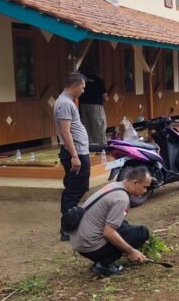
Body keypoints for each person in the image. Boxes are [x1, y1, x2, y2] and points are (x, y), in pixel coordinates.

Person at [71, 167, 152, 276]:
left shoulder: (113, 186)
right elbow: (109, 233)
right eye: (144, 187)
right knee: (141, 233)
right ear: (135, 183)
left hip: (79, 242)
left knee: (124, 224)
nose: (145, 191)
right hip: (89, 246)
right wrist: (131, 251)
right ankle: (103, 265)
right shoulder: (122, 198)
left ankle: (101, 260)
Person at [54, 72, 90, 241]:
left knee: (73, 189)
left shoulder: (67, 103)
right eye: (82, 86)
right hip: (75, 153)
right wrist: (74, 156)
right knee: (75, 190)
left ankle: (69, 224)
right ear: (74, 86)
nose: (83, 90)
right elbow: (65, 131)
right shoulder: (64, 104)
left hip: (78, 151)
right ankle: (68, 227)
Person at [78, 73, 108, 150]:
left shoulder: (82, 79)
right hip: (96, 105)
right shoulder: (99, 80)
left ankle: (88, 146)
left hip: (83, 105)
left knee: (86, 125)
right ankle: (101, 146)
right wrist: (108, 98)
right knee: (99, 125)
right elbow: (105, 97)